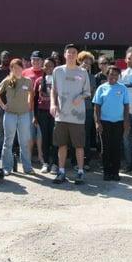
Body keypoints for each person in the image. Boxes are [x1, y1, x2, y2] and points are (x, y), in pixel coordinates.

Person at [51, 44, 91, 184]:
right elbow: (53, 90)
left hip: (77, 117)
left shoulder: (83, 72)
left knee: (79, 146)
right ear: (65, 54)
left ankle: (80, 172)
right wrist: (53, 104)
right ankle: (61, 172)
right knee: (61, 145)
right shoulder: (57, 71)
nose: (71, 55)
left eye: (74, 52)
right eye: (69, 52)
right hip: (61, 115)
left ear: (77, 55)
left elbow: (87, 92)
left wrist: (80, 98)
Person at [0, 58, 34, 175]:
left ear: (22, 68)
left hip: (24, 115)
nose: (16, 69)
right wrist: (3, 106)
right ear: (11, 69)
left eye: (19, 67)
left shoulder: (28, 81)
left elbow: (31, 93)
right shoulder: (7, 81)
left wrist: (28, 104)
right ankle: (7, 167)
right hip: (10, 114)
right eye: (14, 67)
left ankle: (27, 167)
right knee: (8, 141)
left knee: (24, 142)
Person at [92, 66, 130, 181]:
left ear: (118, 76)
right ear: (107, 75)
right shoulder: (101, 88)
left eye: (115, 74)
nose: (113, 76)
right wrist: (97, 122)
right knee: (105, 148)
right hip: (105, 122)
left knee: (116, 147)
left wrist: (126, 122)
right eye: (111, 74)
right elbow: (97, 107)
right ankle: (107, 172)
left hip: (119, 122)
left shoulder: (123, 88)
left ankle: (115, 172)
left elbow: (126, 106)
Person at [33, 58, 58, 174]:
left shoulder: (58, 79)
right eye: (46, 66)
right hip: (42, 112)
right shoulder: (38, 80)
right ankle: (45, 163)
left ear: (55, 67)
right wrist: (35, 115)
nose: (48, 68)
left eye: (51, 66)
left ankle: (55, 164)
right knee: (44, 139)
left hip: (55, 113)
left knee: (55, 138)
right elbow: (34, 99)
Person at [22, 51, 45, 166]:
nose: (35, 62)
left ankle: (41, 157)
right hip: (27, 108)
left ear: (42, 61)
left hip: (41, 108)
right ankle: (28, 158)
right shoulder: (25, 72)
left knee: (40, 134)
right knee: (29, 134)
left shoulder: (46, 72)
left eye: (38, 60)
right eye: (33, 59)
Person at [78, 50, 97, 169]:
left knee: (86, 135)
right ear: (80, 62)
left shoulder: (92, 77)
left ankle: (86, 161)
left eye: (89, 64)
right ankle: (75, 160)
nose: (87, 65)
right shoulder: (73, 75)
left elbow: (91, 93)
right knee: (76, 134)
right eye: (85, 62)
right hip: (75, 109)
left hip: (88, 109)